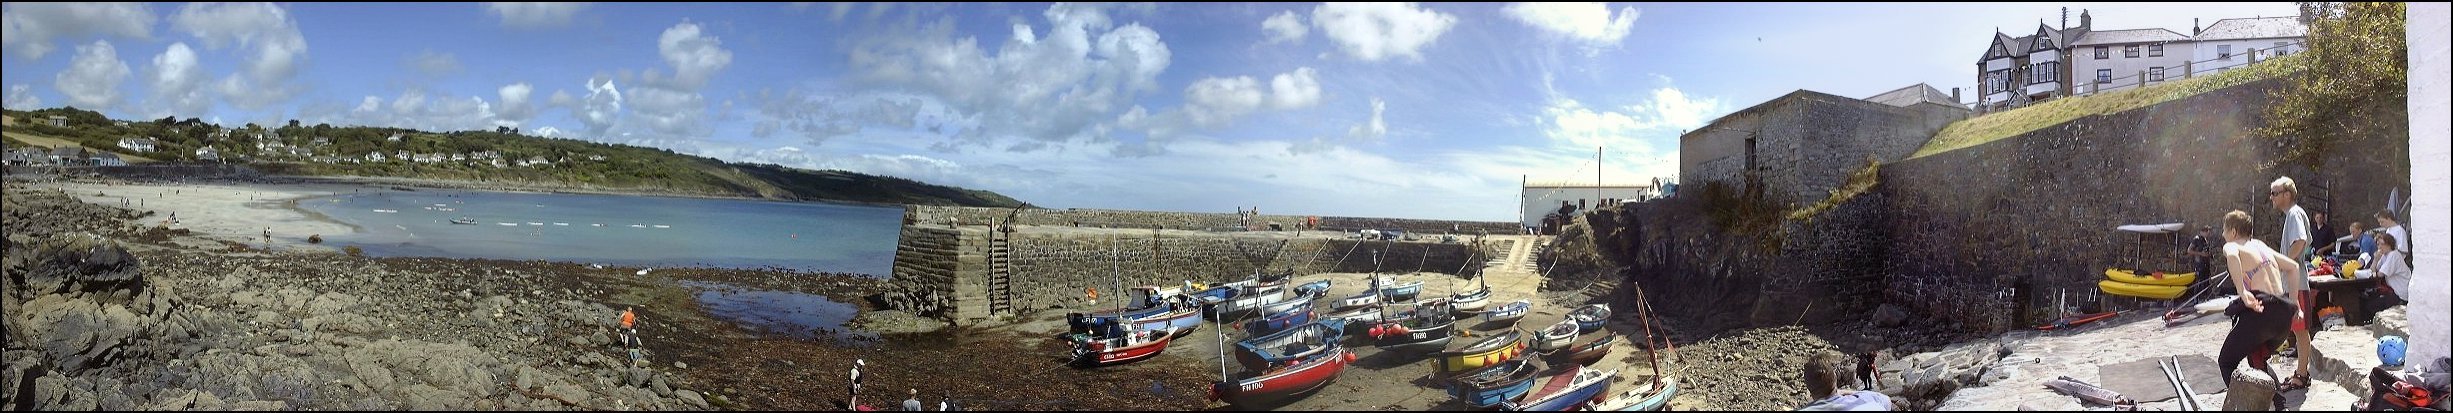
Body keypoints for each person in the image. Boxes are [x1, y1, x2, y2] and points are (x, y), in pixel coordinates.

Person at [2217, 210, 2303, 391]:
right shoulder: (2260, 246)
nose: (2223, 235)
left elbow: (2232, 256)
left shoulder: (2233, 245)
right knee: (2257, 358)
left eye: (2224, 231)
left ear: (2233, 232)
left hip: (2262, 313)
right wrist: (2295, 304)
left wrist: (2242, 292)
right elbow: (2293, 267)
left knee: (2226, 362)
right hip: (2283, 315)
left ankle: (2243, 405)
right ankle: (2280, 406)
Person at [2268, 177, 2318, 391]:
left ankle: (2302, 374)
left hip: (2296, 284)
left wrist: (2284, 264)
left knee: (2300, 330)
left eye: (2274, 192)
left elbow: (2300, 242)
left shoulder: (2295, 214)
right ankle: (2301, 372)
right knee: (2298, 330)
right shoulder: (2292, 215)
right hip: (2294, 283)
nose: (2271, 197)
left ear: (2287, 194)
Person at [1800, 351, 1892, 410]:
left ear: (1808, 387)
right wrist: (1841, 392)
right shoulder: (1870, 400)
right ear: (1835, 378)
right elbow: (1887, 401)